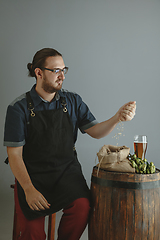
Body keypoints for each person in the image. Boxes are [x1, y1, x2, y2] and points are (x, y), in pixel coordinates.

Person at [4, 48, 136, 240]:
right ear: (38, 73)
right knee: (32, 233)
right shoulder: (18, 108)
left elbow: (96, 132)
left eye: (64, 70)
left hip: (66, 171)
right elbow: (14, 155)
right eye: (56, 70)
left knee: (82, 208)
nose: (62, 76)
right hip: (32, 176)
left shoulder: (72, 101)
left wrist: (117, 118)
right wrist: (29, 189)